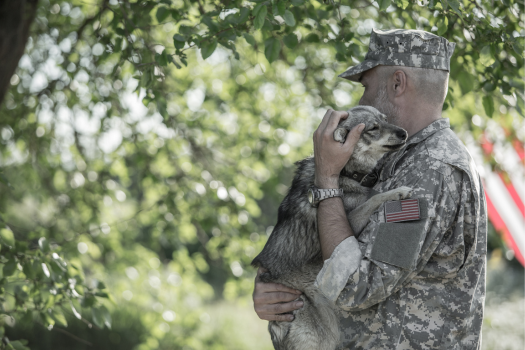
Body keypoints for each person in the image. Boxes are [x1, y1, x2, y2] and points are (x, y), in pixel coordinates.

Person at [253, 28, 487, 349]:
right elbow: (339, 246)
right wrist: (278, 288)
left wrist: (326, 182)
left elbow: (352, 287)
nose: (360, 100)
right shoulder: (399, 162)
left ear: (397, 83)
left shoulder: (428, 171)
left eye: (365, 86)